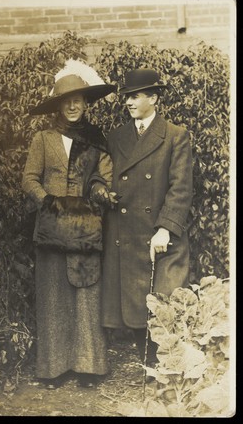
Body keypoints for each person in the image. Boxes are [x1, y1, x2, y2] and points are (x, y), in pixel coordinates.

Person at [22, 59, 116, 389]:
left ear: (86, 104)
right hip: (51, 227)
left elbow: (101, 177)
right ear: (59, 106)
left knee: (86, 296)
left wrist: (103, 192)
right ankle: (54, 370)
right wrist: (46, 201)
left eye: (79, 99)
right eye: (67, 100)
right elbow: (29, 179)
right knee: (53, 298)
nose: (73, 105)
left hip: (85, 226)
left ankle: (88, 369)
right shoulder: (43, 139)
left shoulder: (95, 139)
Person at [101, 68, 193, 372]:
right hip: (125, 231)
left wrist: (166, 228)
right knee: (135, 300)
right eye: (127, 96)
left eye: (136, 96)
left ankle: (163, 366)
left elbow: (180, 187)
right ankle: (149, 363)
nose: (128, 102)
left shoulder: (175, 136)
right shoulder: (116, 137)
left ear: (153, 98)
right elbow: (99, 174)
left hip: (160, 233)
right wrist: (102, 191)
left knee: (162, 300)